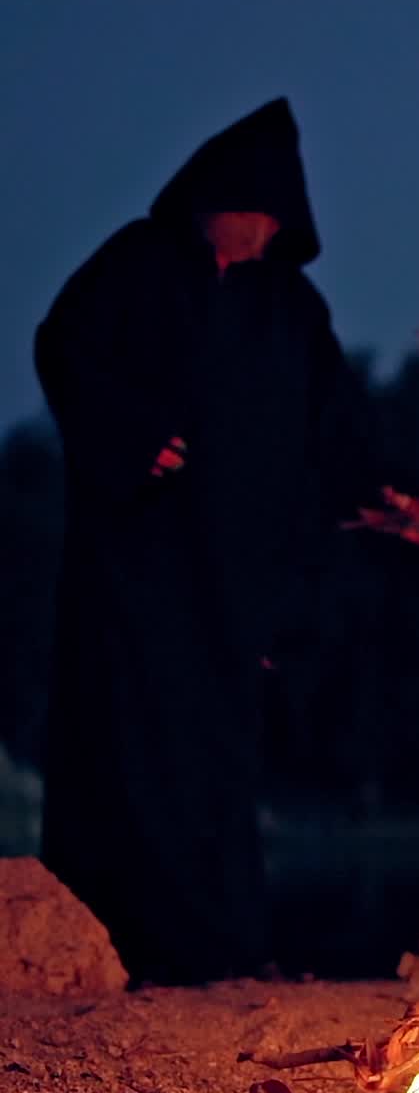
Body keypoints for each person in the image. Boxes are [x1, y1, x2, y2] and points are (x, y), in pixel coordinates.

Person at [35, 98, 368, 984]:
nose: (268, 232)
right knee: (121, 757)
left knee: (213, 778)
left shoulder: (292, 311)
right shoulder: (136, 268)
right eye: (258, 213)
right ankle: (104, 951)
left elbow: (328, 438)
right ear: (216, 200)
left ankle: (215, 958)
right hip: (135, 576)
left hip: (231, 588)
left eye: (280, 221)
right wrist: (133, 435)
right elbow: (63, 348)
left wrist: (340, 542)